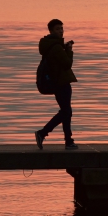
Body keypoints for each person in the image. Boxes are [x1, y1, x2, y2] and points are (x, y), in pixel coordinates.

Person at [34, 18, 79, 150]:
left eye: (61, 28)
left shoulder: (49, 45)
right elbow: (67, 64)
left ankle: (68, 141)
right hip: (62, 82)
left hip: (57, 81)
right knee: (66, 112)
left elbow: (57, 62)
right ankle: (43, 133)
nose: (61, 31)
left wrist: (64, 49)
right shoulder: (57, 47)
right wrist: (69, 50)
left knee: (66, 112)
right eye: (58, 29)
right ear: (51, 31)